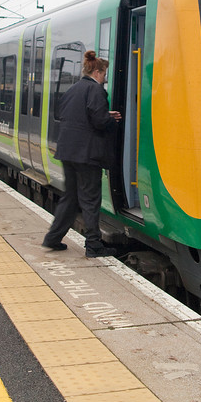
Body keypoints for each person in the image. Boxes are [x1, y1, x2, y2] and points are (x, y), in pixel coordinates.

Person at [43, 50, 122, 257]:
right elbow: (98, 121)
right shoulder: (95, 90)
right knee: (90, 199)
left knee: (70, 197)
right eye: (104, 74)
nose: (105, 78)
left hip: (68, 152)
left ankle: (53, 238)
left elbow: (73, 115)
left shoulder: (73, 89)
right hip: (87, 155)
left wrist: (104, 115)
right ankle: (94, 245)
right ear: (97, 71)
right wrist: (110, 119)